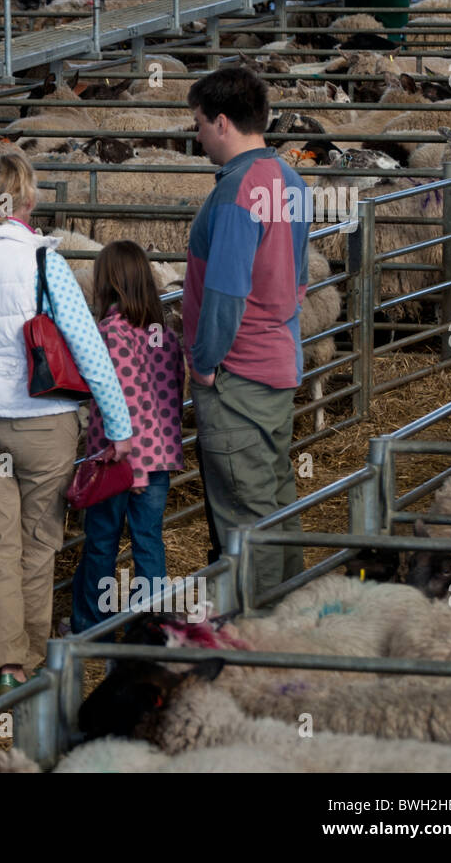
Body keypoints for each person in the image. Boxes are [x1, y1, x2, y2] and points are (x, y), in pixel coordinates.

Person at [0, 151, 131, 696]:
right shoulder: (44, 263)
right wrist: (117, 422)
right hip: (44, 422)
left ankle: (2, 663)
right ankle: (34, 661)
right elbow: (87, 346)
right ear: (29, 200)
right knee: (39, 543)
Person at [182, 66, 310, 593]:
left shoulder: (237, 192)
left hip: (238, 376)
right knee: (275, 498)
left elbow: (227, 292)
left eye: (198, 123)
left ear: (220, 121)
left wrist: (206, 362)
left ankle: (254, 640)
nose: (196, 135)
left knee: (244, 513)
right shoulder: (291, 177)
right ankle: (290, 615)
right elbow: (298, 280)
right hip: (278, 362)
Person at [69, 240, 186, 632]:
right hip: (158, 458)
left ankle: (91, 625)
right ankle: (150, 628)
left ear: (109, 283)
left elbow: (129, 396)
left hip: (118, 459)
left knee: (102, 541)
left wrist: (132, 468)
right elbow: (171, 393)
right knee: (148, 540)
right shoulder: (163, 333)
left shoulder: (110, 334)